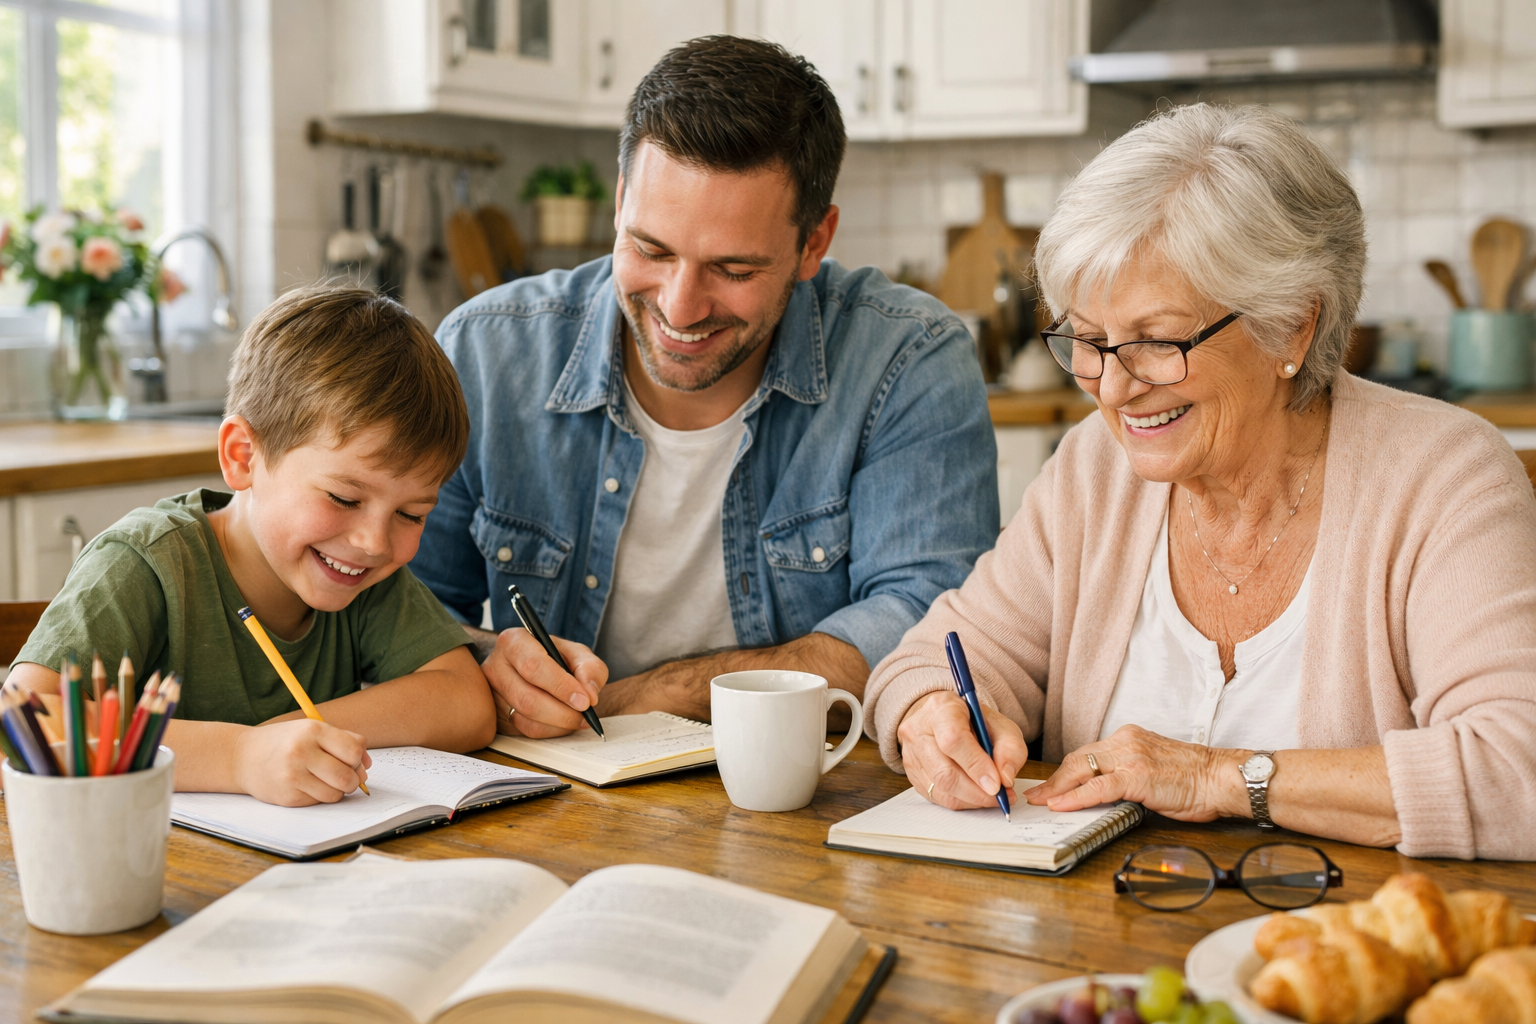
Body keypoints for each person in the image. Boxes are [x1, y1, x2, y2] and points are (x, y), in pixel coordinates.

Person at [864, 103, 1536, 860]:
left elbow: (1517, 771)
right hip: (1093, 957)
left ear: (1291, 326)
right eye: (1086, 341)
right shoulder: (1094, 470)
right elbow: (931, 657)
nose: (1113, 389)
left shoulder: (1444, 476)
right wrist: (934, 712)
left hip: (1337, 955)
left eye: (1155, 341)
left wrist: (1217, 779)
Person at [412, 35, 998, 738]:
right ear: (622, 198)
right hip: (552, 793)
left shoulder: (907, 359)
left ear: (814, 242)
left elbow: (925, 620)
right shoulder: (484, 352)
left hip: (806, 799)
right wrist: (485, 662)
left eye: (734, 269)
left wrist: (654, 696)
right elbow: (400, 611)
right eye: (650, 249)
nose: (680, 308)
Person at [7, 287, 496, 805]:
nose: (375, 542)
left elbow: (466, 702)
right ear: (242, 457)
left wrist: (291, 734)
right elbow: (22, 722)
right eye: (343, 497)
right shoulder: (146, 561)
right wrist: (240, 755)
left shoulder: (362, 577)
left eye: (411, 513)